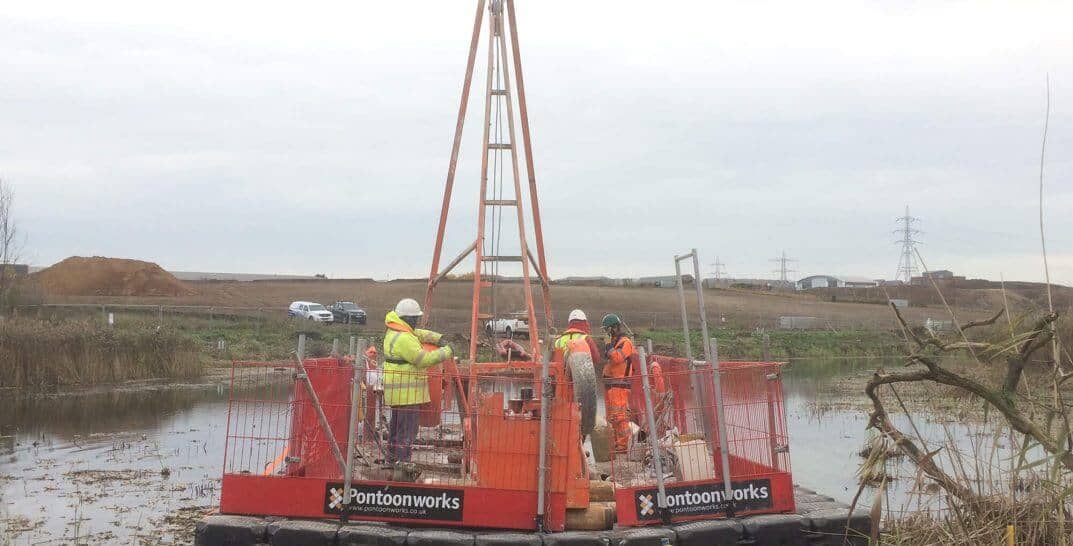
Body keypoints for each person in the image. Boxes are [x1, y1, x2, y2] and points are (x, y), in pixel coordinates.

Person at [382, 298, 454, 466]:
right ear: (407, 319)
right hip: (407, 395)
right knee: (407, 431)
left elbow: (418, 333)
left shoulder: (397, 330)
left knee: (396, 429)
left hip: (398, 394)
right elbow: (424, 359)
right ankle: (403, 464)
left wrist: (438, 339)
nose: (416, 322)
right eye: (414, 319)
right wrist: (447, 351)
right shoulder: (404, 339)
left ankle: (392, 460)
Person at [601, 313, 637, 454]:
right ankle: (619, 444)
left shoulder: (625, 342)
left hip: (620, 386)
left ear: (614, 328)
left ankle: (623, 445)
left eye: (607, 329)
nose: (606, 332)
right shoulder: (616, 343)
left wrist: (609, 347)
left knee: (620, 417)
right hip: (613, 387)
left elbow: (617, 358)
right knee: (613, 417)